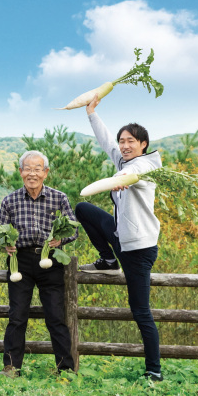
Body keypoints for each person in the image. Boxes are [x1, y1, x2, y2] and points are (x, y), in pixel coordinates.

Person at [76, 95, 163, 381]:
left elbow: (133, 174)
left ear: (143, 145)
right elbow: (107, 144)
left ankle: (154, 371)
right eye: (123, 141)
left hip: (138, 248)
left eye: (131, 141)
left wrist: (124, 178)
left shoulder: (144, 168)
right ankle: (108, 259)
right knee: (83, 209)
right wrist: (91, 114)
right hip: (120, 237)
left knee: (140, 311)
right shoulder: (124, 161)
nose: (125, 146)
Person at [0, 150, 77, 377]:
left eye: (37, 169)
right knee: (17, 316)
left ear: (46, 172)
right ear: (21, 171)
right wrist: (5, 244)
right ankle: (11, 368)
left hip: (50, 260)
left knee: (55, 316)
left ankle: (66, 369)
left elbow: (73, 228)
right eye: (28, 169)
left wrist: (60, 240)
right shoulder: (9, 200)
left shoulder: (59, 198)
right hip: (19, 261)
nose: (32, 173)